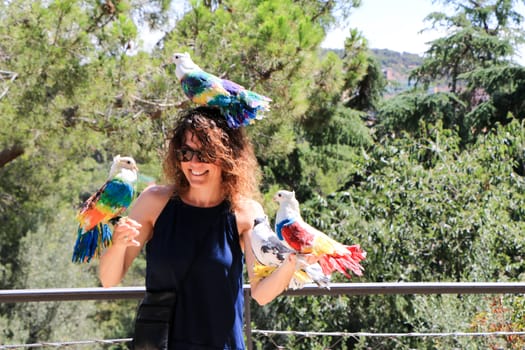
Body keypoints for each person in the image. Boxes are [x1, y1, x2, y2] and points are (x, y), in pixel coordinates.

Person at [99, 106, 299, 349]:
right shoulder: (153, 202)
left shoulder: (247, 213)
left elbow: (261, 294)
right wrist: (118, 245)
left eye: (204, 154)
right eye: (186, 153)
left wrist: (292, 263)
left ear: (227, 155)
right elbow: (109, 279)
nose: (193, 163)